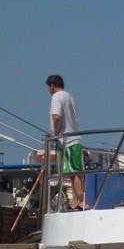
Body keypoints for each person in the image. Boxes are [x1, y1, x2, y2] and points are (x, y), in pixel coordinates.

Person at [46, 74, 86, 210]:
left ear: (52, 86)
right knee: (71, 172)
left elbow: (57, 117)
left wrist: (54, 134)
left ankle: (81, 201)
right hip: (74, 139)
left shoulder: (56, 97)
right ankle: (76, 201)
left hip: (67, 140)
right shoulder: (69, 97)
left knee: (74, 172)